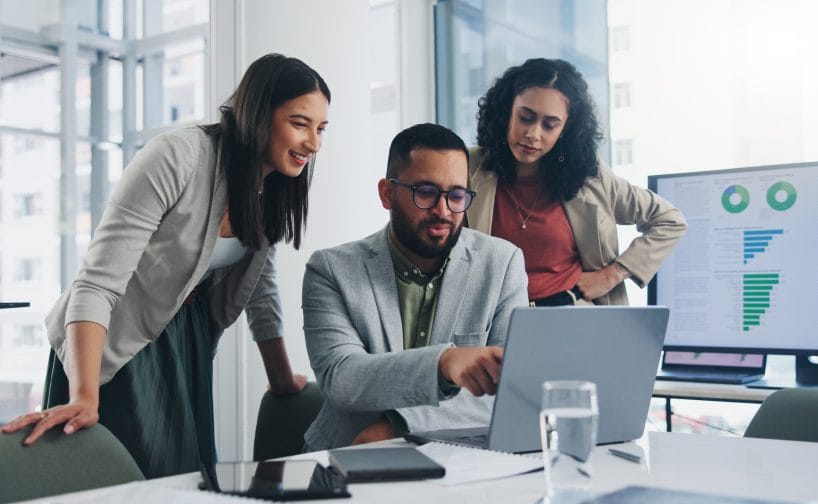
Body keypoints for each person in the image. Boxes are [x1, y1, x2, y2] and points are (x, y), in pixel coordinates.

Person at [1, 53, 330, 478]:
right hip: (113, 342)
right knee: (131, 482)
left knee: (185, 479)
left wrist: (281, 378)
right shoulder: (179, 156)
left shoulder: (271, 187)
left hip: (184, 342)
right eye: (300, 124)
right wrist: (84, 394)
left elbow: (258, 285)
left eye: (321, 129)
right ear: (256, 114)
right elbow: (96, 283)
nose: (314, 144)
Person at [301, 123, 528, 451]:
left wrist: (398, 425)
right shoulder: (330, 270)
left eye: (456, 195)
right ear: (387, 194)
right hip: (346, 452)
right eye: (425, 192)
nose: (443, 211)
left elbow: (512, 389)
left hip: (462, 457)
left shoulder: (503, 264)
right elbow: (342, 378)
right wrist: (443, 364)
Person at [467, 58, 687, 306]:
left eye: (549, 125)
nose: (533, 134)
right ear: (506, 112)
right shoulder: (466, 167)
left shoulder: (590, 176)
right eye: (526, 118)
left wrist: (612, 274)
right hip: (492, 320)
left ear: (565, 129)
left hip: (575, 315)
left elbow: (670, 220)